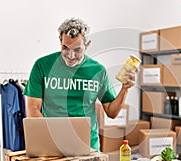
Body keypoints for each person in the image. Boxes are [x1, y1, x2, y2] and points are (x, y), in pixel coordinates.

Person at [23, 17, 136, 151]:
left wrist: (125, 89)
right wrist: (51, 138)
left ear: (87, 45)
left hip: (88, 147)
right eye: (65, 48)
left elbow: (112, 112)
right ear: (60, 41)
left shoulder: (98, 71)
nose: (70, 55)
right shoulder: (42, 66)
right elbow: (33, 109)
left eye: (77, 50)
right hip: (52, 146)